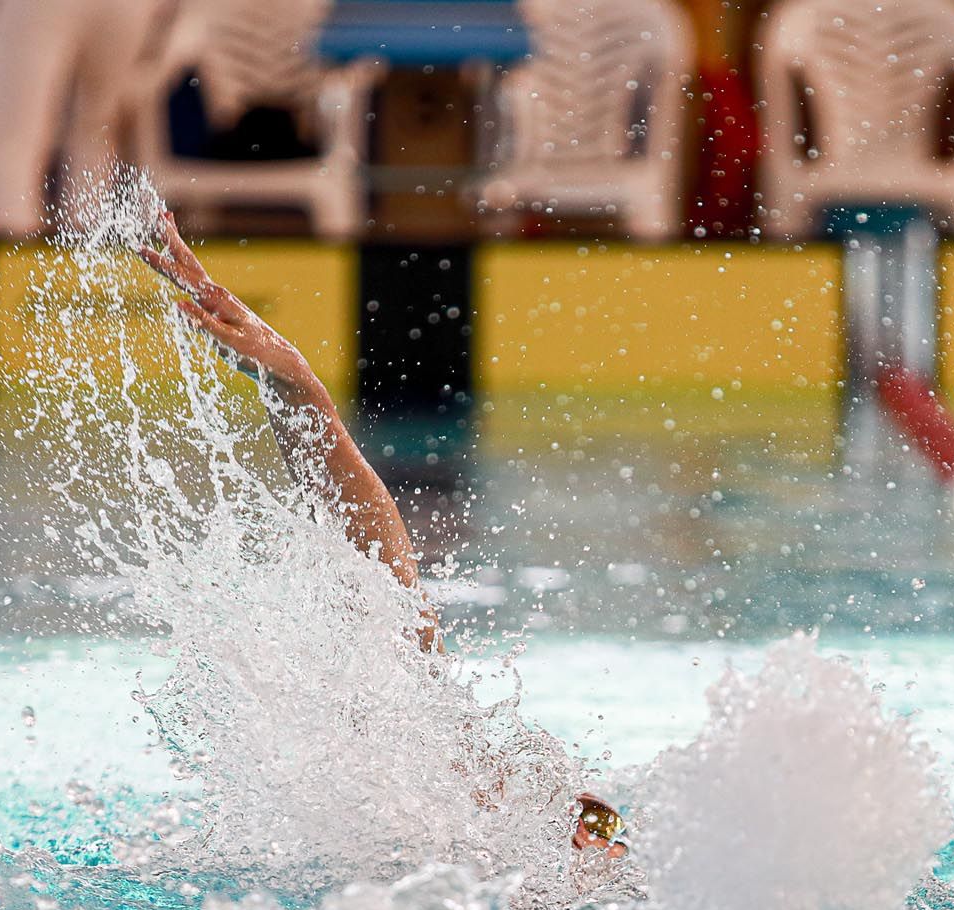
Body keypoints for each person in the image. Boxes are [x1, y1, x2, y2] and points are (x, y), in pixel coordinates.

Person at [134, 212, 629, 861]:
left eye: (601, 832)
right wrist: (294, 385)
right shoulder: (439, 797)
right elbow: (380, 566)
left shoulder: (461, 834)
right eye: (595, 826)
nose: (592, 834)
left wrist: (296, 382)